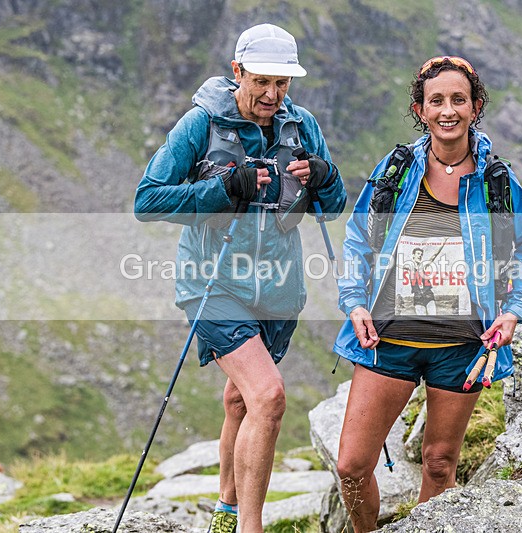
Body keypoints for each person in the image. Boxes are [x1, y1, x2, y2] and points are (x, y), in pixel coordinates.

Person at [134, 23, 346, 533]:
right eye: (261, 82)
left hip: (278, 288)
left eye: (283, 84)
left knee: (240, 399)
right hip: (212, 283)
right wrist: (224, 188)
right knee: (269, 396)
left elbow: (332, 205)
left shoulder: (302, 125)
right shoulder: (199, 124)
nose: (272, 95)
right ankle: (250, 528)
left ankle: (225, 516)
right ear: (238, 72)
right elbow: (147, 201)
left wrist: (325, 177)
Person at [333, 56, 522, 531]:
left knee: (438, 464)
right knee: (351, 465)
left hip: (463, 348)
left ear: (475, 108)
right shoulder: (395, 171)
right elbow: (356, 241)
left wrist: (514, 312)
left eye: (458, 100)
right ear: (420, 110)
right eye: (436, 101)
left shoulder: (497, 182)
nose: (447, 110)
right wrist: (354, 302)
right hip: (387, 342)